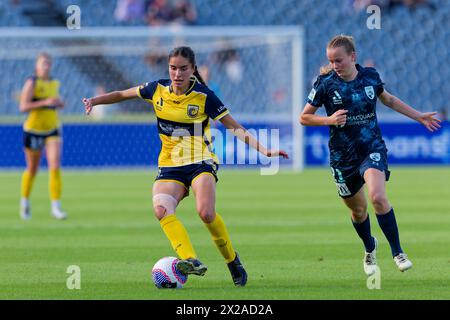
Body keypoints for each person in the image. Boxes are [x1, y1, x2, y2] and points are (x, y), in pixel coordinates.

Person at [82, 46, 288, 286]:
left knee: (206, 213)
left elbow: (234, 126)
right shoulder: (156, 89)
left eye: (183, 68)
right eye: (173, 68)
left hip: (200, 160)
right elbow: (121, 94)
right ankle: (190, 259)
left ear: (192, 69)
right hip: (170, 164)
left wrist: (264, 151)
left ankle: (232, 261)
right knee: (161, 209)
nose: (177, 73)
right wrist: (95, 101)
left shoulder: (204, 96)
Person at [300, 35, 441, 276]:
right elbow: (304, 117)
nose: (335, 65)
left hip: (371, 149)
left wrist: (418, 116)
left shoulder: (370, 76)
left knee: (377, 197)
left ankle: (397, 252)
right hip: (342, 157)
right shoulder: (324, 84)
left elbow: (389, 100)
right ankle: (369, 247)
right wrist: (329, 120)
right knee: (358, 211)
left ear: (352, 57)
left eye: (339, 60)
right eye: (331, 61)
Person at [19, 52, 68, 220]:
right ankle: (25, 200)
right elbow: (23, 106)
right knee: (32, 169)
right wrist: (44, 102)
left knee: (55, 165)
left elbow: (57, 103)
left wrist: (59, 103)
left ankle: (56, 206)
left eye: (48, 63)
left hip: (52, 128)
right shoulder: (32, 82)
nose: (46, 66)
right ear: (37, 66)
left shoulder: (54, 83)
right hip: (33, 130)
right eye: (43, 63)